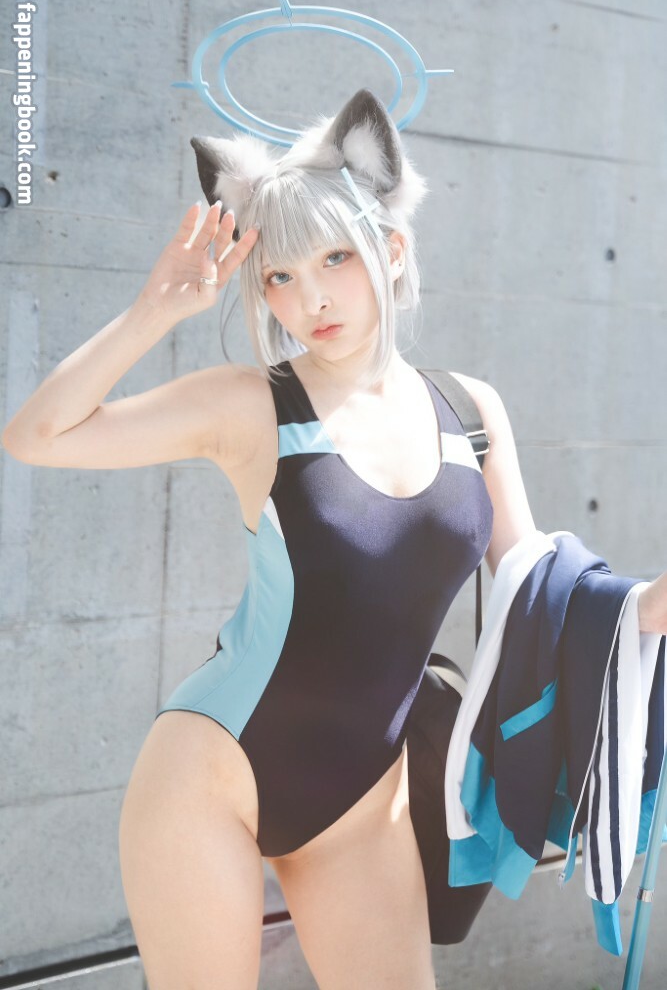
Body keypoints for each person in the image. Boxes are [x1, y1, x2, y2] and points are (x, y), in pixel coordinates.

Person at [2, 89, 666, 990]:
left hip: (361, 801)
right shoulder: (250, 403)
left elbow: (534, 582)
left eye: (333, 258)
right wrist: (156, 310)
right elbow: (36, 436)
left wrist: (647, 607)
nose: (308, 297)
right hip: (211, 776)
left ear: (390, 250)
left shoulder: (470, 413)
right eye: (278, 275)